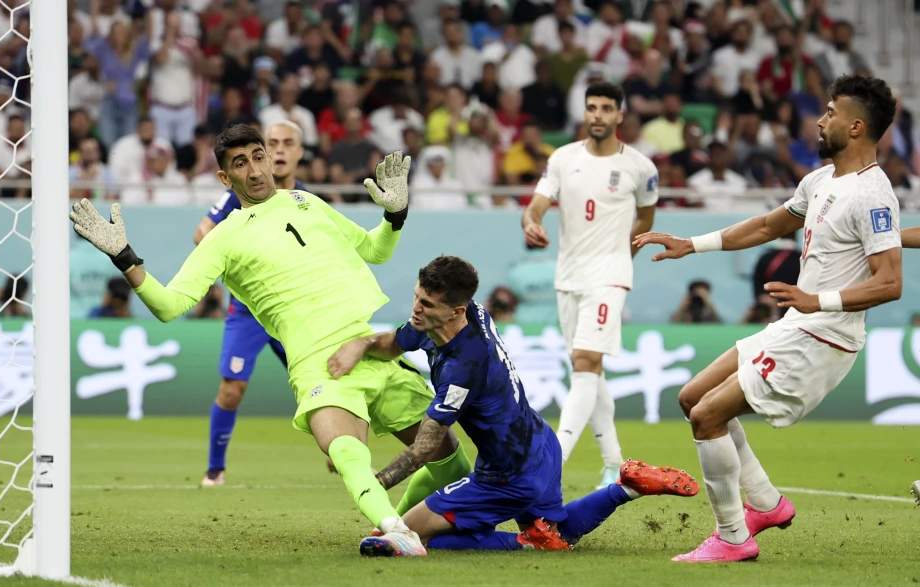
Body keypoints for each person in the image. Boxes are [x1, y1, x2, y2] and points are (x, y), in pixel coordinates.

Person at [70, 125, 471, 554]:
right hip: (321, 366)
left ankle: (400, 526)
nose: (255, 169)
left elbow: (375, 250)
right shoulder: (223, 236)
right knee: (346, 449)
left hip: (372, 346)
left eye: (258, 156)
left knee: (452, 461)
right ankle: (393, 526)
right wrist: (124, 256)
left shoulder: (306, 201)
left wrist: (394, 216)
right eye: (240, 163)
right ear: (226, 178)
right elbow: (169, 305)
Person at [633, 75, 901, 563]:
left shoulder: (874, 194)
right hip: (797, 325)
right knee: (691, 397)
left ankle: (733, 538)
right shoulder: (819, 180)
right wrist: (691, 244)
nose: (820, 121)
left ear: (857, 126)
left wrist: (819, 301)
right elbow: (764, 226)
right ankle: (767, 504)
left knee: (707, 416)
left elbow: (889, 283)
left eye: (831, 113)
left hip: (824, 336)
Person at [327, 256, 699, 556]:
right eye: (416, 296)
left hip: (505, 476)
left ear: (456, 310)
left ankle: (525, 541)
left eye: (426, 303)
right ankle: (626, 487)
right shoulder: (456, 317)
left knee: (411, 535)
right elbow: (395, 341)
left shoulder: (463, 365)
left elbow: (426, 447)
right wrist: (360, 344)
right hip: (540, 444)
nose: (416, 309)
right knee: (558, 534)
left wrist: (374, 483)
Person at [520, 82, 659, 488]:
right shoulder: (563, 159)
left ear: (620, 115)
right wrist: (532, 223)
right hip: (568, 277)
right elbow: (536, 206)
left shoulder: (640, 168)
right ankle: (615, 464)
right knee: (589, 372)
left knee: (584, 362)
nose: (597, 115)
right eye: (591, 107)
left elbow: (646, 221)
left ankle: (555, 458)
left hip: (610, 276)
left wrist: (620, 261)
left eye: (605, 108)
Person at [192, 121, 305, 487]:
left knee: (325, 383)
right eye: (273, 143)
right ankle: (215, 469)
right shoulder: (235, 197)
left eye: (289, 143)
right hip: (248, 312)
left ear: (299, 153)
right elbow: (202, 233)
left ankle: (341, 452)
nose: (281, 150)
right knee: (231, 388)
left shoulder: (306, 200)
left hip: (293, 310)